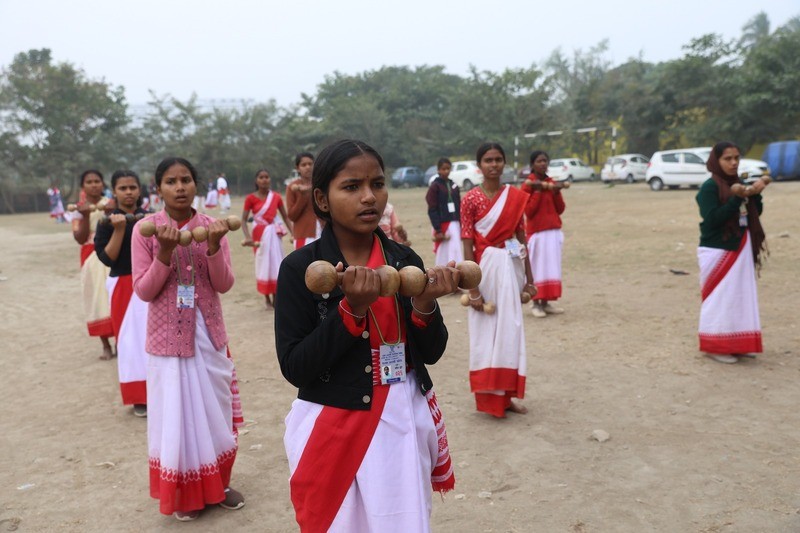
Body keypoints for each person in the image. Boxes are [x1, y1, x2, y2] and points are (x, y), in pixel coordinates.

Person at [275, 139, 456, 532]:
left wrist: (425, 304)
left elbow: (432, 350)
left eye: (377, 183)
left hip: (401, 415)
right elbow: (295, 367)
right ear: (321, 199)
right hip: (333, 423)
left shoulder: (404, 260)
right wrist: (351, 311)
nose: (369, 197)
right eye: (352, 186)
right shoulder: (300, 269)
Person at [131, 157, 245, 521]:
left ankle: (219, 485)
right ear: (158, 188)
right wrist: (163, 253)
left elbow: (224, 284)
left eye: (185, 180)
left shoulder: (213, 227)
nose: (179, 187)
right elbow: (144, 292)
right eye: (170, 181)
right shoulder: (145, 231)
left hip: (209, 336)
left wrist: (213, 248)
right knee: (177, 418)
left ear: (197, 184)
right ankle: (185, 493)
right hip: (168, 342)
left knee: (215, 412)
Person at [461, 143, 536, 418]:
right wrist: (473, 288)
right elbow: (467, 243)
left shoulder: (514, 197)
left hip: (510, 269)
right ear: (479, 166)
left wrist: (530, 278)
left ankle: (507, 396)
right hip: (484, 272)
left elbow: (521, 238)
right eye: (488, 160)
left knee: (510, 331)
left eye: (498, 160)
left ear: (504, 164)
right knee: (484, 335)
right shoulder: (470, 198)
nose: (493, 164)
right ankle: (488, 399)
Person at [696, 141, 767, 364]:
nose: (734, 162)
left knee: (740, 296)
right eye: (728, 159)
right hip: (718, 249)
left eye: (736, 157)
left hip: (741, 245)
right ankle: (715, 346)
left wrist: (755, 194)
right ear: (716, 161)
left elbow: (756, 212)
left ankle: (739, 344)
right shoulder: (710, 187)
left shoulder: (739, 182)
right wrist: (737, 198)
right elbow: (714, 219)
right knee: (720, 298)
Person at [94, 170, 149, 417]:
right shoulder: (106, 223)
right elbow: (107, 258)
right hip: (123, 286)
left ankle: (160, 392)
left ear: (140, 190)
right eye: (123, 188)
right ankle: (138, 397)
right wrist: (118, 229)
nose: (128, 192)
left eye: (133, 187)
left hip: (150, 283)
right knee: (129, 343)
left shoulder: (151, 219)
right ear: (114, 191)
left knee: (156, 339)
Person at [72, 169, 115, 360]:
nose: (94, 185)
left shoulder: (111, 204)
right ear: (83, 186)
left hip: (112, 252)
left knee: (115, 295)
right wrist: (86, 216)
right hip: (90, 256)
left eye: (97, 181)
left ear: (102, 184)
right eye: (89, 182)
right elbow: (80, 238)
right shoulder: (79, 209)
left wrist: (111, 214)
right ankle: (105, 344)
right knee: (96, 298)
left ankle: (121, 341)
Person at [241, 168, 293, 308]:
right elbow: (243, 220)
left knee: (276, 263)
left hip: (273, 234)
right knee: (263, 264)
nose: (264, 179)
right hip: (259, 236)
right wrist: (247, 237)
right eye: (261, 177)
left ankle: (276, 296)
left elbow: (285, 217)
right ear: (256, 181)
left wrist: (293, 233)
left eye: (267, 177)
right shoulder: (250, 198)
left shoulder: (276, 197)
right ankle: (266, 297)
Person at [523, 150, 566, 318]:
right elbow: (529, 211)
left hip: (553, 232)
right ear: (532, 164)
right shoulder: (529, 185)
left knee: (551, 268)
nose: (543, 164)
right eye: (539, 161)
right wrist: (539, 191)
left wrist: (555, 192)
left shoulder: (551, 183)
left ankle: (546, 302)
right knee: (538, 268)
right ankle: (536, 303)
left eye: (545, 161)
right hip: (537, 233)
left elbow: (560, 209)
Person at [426, 157, 464, 265]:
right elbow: (432, 208)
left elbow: (459, 205)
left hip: (455, 223)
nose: (446, 171)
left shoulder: (454, 185)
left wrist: (461, 224)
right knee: (444, 252)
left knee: (455, 250)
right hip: (442, 224)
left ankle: (457, 272)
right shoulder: (435, 186)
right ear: (438, 170)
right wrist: (438, 229)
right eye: (443, 169)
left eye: (448, 168)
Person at [286, 152, 322, 249]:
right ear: (298, 168)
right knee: (304, 264)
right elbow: (292, 216)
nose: (307, 167)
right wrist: (303, 196)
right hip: (303, 235)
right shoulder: (292, 187)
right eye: (304, 165)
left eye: (310, 164)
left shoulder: (321, 184)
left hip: (324, 232)